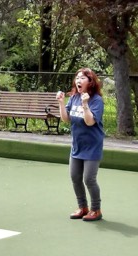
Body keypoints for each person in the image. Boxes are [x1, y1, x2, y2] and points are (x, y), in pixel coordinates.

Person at [56, 68, 104, 221]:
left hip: (92, 147)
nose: (78, 80)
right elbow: (66, 119)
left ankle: (96, 210)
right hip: (77, 146)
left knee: (89, 179)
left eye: (82, 77)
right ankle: (83, 207)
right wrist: (61, 103)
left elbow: (89, 122)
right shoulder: (74, 97)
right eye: (77, 77)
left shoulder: (96, 100)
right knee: (75, 177)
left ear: (90, 82)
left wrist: (85, 104)